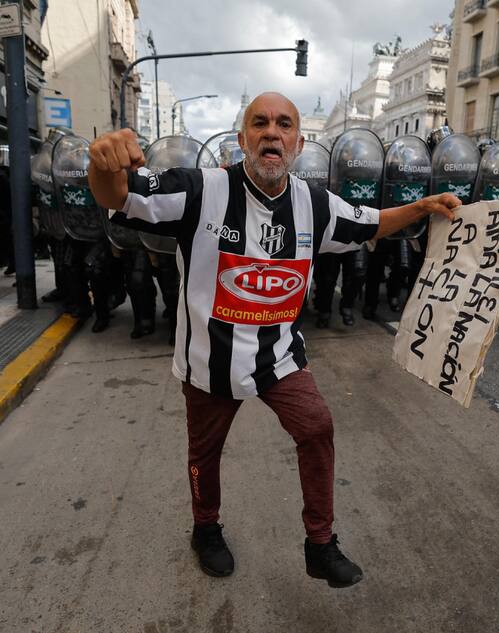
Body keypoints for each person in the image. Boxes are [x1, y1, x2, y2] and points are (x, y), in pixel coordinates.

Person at [89, 92, 460, 588]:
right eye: (260, 123)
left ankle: (320, 544)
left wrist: (423, 206)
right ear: (242, 138)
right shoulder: (200, 190)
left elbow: (370, 221)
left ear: (298, 143)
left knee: (317, 428)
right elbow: (118, 196)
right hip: (209, 363)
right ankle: (206, 529)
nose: (272, 132)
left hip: (279, 359)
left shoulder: (314, 204)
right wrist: (103, 164)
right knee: (205, 454)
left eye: (284, 125)